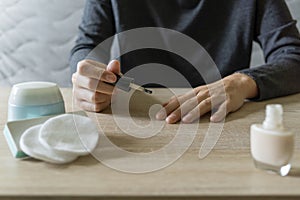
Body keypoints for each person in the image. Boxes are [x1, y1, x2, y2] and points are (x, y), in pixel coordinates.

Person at [70, 0, 300, 124]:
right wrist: (90, 77)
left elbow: (293, 57)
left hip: (223, 120)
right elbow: (87, 45)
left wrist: (241, 83)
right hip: (138, 120)